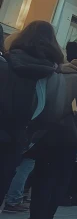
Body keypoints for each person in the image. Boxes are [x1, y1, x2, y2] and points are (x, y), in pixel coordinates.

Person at [20, 54, 77, 219]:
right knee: (58, 182)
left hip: (45, 134)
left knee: (41, 180)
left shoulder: (53, 75)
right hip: (69, 137)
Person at [0, 21, 61, 205]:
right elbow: (52, 112)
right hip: (19, 134)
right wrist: (30, 137)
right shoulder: (52, 74)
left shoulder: (6, 61)